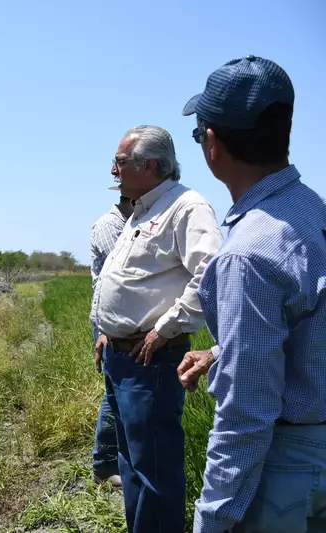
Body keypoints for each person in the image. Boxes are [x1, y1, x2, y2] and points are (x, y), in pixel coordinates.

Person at [179, 55, 326, 533]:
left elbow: (245, 414)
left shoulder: (247, 253)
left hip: (290, 470)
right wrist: (225, 350)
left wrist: (213, 521)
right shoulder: (310, 211)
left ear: (212, 143)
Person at [90, 125, 223, 533]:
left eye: (121, 161)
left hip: (150, 359)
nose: (114, 170)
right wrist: (106, 331)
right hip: (120, 355)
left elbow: (211, 274)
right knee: (132, 464)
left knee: (155, 470)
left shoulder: (186, 207)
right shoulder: (145, 208)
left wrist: (164, 328)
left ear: (149, 165)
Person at [88, 190, 133, 487]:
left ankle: (120, 458)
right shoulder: (110, 225)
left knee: (123, 391)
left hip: (126, 323)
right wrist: (106, 332)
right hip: (109, 325)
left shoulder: (135, 222)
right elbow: (119, 279)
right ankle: (103, 465)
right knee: (113, 391)